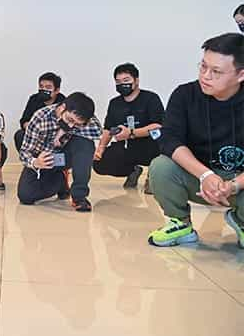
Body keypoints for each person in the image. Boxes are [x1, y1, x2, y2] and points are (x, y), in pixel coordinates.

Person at [148, 33, 244, 248]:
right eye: (203, 66)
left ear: (241, 75)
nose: (206, 76)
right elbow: (169, 139)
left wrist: (234, 186)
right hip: (198, 178)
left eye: (216, 71)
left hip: (239, 183)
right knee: (161, 167)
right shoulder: (185, 95)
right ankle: (180, 223)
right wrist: (206, 175)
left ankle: (241, 221)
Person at [17, 92, 102, 212]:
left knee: (85, 143)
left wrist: (63, 130)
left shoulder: (82, 118)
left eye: (76, 124)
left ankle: (79, 197)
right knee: (26, 196)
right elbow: (24, 152)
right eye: (69, 119)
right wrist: (35, 162)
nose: (71, 125)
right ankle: (61, 182)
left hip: (65, 157)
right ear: (62, 107)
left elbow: (98, 132)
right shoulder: (40, 118)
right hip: (43, 159)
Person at [93, 63, 165, 193]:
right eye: (118, 82)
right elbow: (108, 129)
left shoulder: (151, 98)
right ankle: (133, 170)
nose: (122, 85)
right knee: (99, 163)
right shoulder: (114, 103)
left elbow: (158, 126)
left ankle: (153, 174)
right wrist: (100, 148)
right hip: (127, 146)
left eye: (126, 80)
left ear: (136, 80)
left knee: (161, 146)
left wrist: (131, 133)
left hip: (152, 145)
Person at [14, 72, 66, 152]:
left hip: (56, 136)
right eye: (41, 86)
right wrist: (32, 127)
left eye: (48, 87)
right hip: (37, 135)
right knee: (20, 134)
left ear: (57, 90)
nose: (44, 89)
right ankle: (30, 162)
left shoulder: (63, 102)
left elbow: (67, 124)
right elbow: (24, 121)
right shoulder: (33, 99)